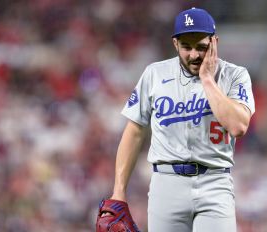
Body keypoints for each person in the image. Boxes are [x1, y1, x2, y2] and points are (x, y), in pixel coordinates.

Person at [98, 7, 255, 232]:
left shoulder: (234, 75)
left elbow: (238, 126)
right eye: (186, 47)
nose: (193, 55)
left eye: (201, 47)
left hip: (215, 182)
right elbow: (134, 132)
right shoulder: (155, 74)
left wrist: (208, 81)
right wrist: (119, 191)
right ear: (175, 44)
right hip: (166, 183)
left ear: (215, 42)